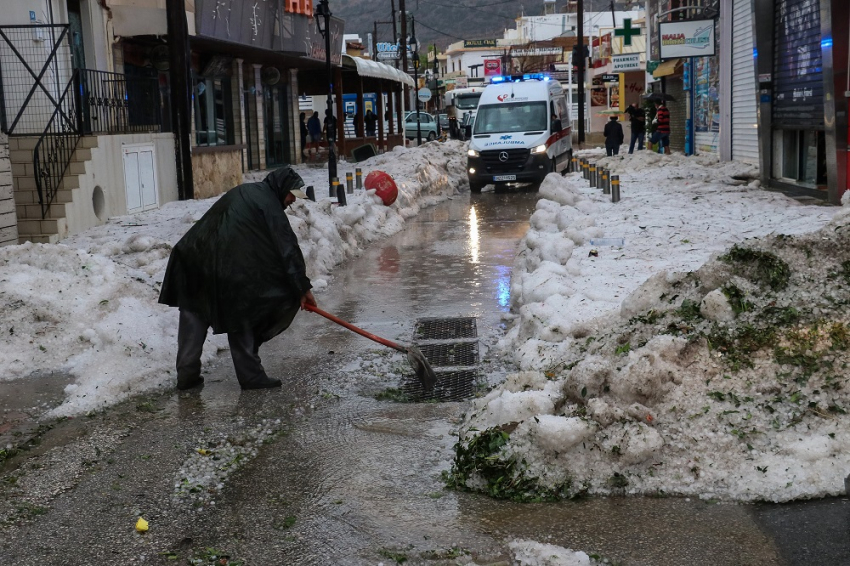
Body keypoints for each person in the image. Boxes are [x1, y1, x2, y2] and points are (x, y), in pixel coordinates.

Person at [159, 167, 317, 391]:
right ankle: (251, 377)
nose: (292, 200)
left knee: (195, 313)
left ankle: (187, 375)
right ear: (281, 188)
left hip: (193, 257)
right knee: (243, 312)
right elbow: (287, 250)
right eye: (291, 194)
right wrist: (301, 287)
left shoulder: (245, 191)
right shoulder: (270, 206)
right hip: (226, 266)